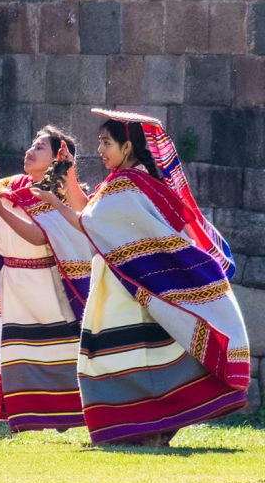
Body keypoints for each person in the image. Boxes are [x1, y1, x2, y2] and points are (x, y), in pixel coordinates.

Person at [35, 109, 250, 446]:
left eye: (107, 143)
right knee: (146, 360)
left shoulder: (126, 185)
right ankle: (152, 429)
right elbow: (93, 214)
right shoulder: (133, 183)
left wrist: (53, 201)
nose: (101, 149)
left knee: (116, 358)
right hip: (130, 283)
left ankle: (145, 428)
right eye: (99, 142)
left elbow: (87, 222)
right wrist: (70, 177)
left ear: (128, 148)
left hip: (129, 290)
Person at [0, 127, 93, 433]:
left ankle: (71, 415)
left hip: (44, 281)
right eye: (31, 146)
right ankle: (25, 419)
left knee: (60, 347)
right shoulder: (10, 186)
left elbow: (36, 236)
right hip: (14, 281)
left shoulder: (55, 196)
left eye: (40, 148)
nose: (30, 152)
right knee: (18, 349)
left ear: (56, 159)